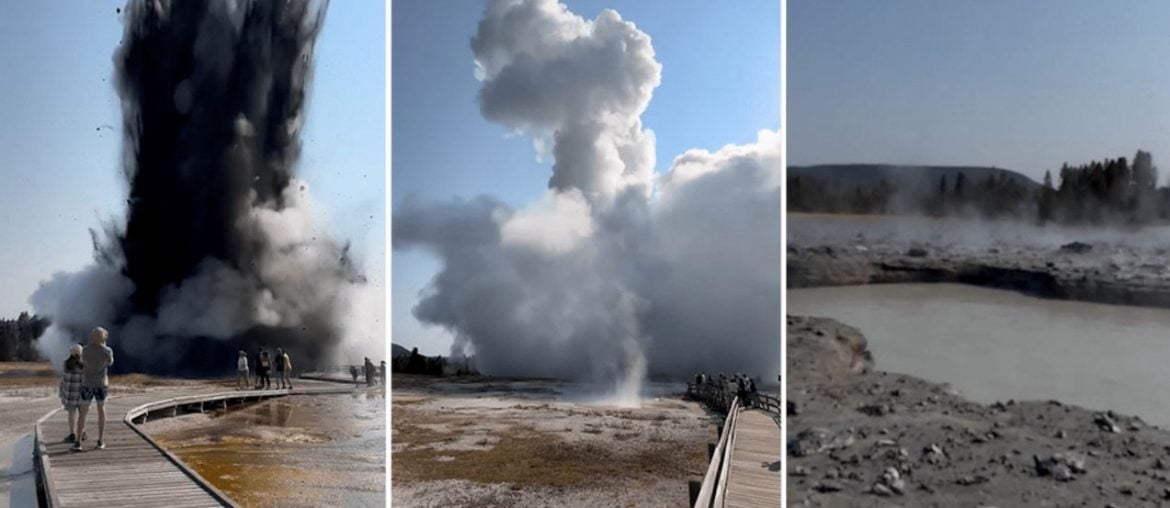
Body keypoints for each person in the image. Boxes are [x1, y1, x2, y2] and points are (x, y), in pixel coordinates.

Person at [76, 327, 113, 451]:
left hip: (87, 384)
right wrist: (104, 346)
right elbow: (110, 362)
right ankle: (100, 441)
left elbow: (82, 362)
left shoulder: (85, 350)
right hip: (101, 384)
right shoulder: (107, 350)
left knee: (83, 413)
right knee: (101, 411)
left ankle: (78, 442)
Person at [59, 344, 84, 443]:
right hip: (81, 394)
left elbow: (63, 379)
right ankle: (82, 433)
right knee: (82, 414)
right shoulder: (84, 365)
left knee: (71, 414)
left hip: (69, 394)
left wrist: (61, 393)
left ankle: (72, 433)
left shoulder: (65, 364)